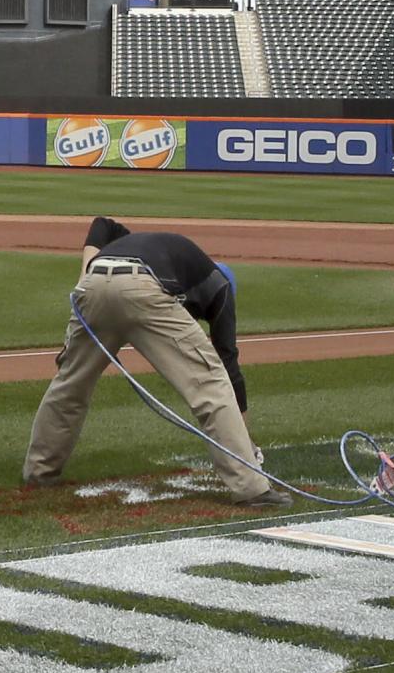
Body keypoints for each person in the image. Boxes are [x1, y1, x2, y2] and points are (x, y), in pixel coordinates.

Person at [23, 216, 273, 505]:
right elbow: (228, 366)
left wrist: (84, 279)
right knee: (210, 383)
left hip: (92, 287)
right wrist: (248, 442)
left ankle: (39, 472)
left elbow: (102, 224)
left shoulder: (154, 247)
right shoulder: (222, 288)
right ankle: (251, 486)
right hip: (142, 286)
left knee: (69, 386)